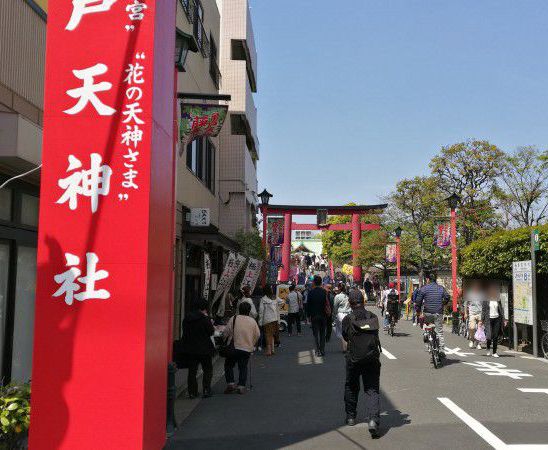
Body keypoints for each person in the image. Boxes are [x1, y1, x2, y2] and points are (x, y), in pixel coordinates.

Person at [342, 288, 382, 437]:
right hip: (372, 358)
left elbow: (346, 337)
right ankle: (373, 420)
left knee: (351, 386)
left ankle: (351, 417)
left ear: (350, 303)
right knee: (372, 388)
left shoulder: (348, 319)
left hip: (353, 358)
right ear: (363, 301)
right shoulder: (372, 317)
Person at [179, 298, 215, 398]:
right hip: (204, 348)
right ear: (204, 307)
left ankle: (192, 392)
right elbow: (211, 332)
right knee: (207, 369)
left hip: (190, 348)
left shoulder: (187, 319)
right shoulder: (205, 319)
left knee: (192, 371)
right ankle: (206, 390)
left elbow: (184, 331)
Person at [222, 302, 260, 394]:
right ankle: (241, 386)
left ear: (239, 309)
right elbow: (257, 334)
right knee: (243, 367)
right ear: (249, 310)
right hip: (246, 348)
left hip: (233, 347)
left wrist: (224, 339)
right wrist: (252, 343)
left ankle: (230, 383)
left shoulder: (234, 318)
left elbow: (226, 332)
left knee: (228, 365)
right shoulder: (252, 321)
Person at [415, 273, 450, 356]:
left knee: (426, 324)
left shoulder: (424, 289)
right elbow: (447, 297)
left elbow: (418, 301)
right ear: (436, 279)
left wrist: (418, 312)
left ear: (427, 280)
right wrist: (443, 303)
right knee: (439, 332)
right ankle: (442, 350)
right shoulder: (441, 288)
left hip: (428, 313)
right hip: (438, 313)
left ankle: (426, 335)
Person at [306, 275, 329, 356]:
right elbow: (327, 304)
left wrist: (308, 316)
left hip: (314, 315)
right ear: (321, 282)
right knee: (322, 333)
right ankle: (322, 350)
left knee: (315, 334)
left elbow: (308, 305)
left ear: (314, 282)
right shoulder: (324, 292)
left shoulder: (311, 292)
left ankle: (317, 351)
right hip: (323, 315)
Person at [481, 283, 506, 358]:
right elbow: (484, 310)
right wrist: (481, 320)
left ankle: (494, 352)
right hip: (488, 319)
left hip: (497, 319)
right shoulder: (486, 300)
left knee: (495, 336)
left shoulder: (498, 299)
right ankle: (488, 349)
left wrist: (504, 319)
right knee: (489, 336)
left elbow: (501, 309)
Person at [258, 285, 279, 356]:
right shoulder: (274, 297)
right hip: (275, 319)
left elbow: (261, 311)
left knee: (267, 335)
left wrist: (260, 322)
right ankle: (273, 350)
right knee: (272, 335)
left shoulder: (263, 299)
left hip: (267, 320)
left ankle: (269, 351)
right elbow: (282, 301)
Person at [464, 281, 486, 349]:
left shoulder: (482, 294)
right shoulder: (469, 294)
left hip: (480, 312)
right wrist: (465, 313)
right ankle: (472, 339)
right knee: (472, 328)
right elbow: (465, 304)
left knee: (480, 329)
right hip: (472, 313)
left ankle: (478, 343)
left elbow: (484, 304)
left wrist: (484, 314)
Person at [334, 283, 352, 352]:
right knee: (348, 330)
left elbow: (335, 307)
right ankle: (348, 345)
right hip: (349, 314)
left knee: (342, 331)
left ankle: (345, 347)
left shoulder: (337, 296)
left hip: (341, 314)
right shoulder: (348, 296)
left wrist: (334, 314)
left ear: (338, 288)